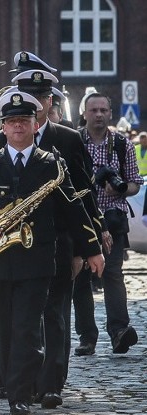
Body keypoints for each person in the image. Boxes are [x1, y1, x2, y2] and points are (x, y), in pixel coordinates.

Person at [0, 91, 103, 415]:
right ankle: (11, 382)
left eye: (24, 121)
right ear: (3, 128)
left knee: (28, 329)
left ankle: (20, 396)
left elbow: (74, 210)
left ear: (36, 125)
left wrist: (91, 249)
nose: (18, 126)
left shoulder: (51, 164)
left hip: (37, 261)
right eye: (11, 121)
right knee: (5, 330)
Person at [3, 66, 103, 407]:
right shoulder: (2, 136)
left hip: (59, 241)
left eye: (41, 97)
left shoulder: (68, 138)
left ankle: (51, 382)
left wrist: (88, 241)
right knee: (20, 316)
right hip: (13, 246)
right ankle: (18, 378)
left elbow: (82, 195)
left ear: (49, 101)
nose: (36, 102)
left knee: (56, 312)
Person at [73, 91, 143, 355]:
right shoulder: (74, 141)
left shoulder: (122, 144)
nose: (99, 115)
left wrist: (121, 190)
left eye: (103, 110)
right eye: (94, 110)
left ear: (110, 113)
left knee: (113, 273)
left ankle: (119, 331)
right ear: (84, 113)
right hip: (82, 219)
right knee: (81, 277)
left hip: (113, 219)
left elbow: (135, 183)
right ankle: (87, 336)